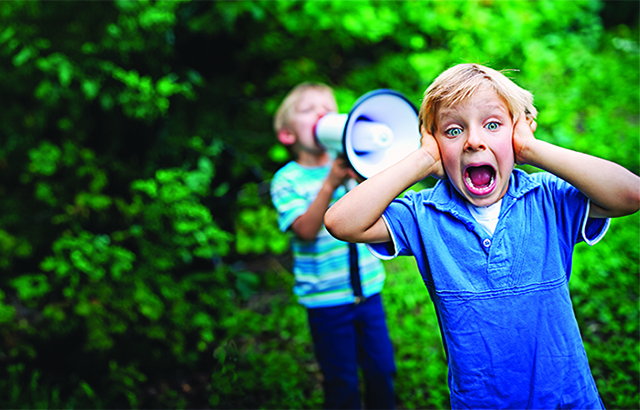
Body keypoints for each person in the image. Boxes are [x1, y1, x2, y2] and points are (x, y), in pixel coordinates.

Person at [324, 63, 640, 409]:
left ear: (517, 133)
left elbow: (629, 195)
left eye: (493, 125)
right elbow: (342, 222)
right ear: (433, 141)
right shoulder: (423, 214)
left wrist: (532, 150)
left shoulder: (548, 199)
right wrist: (423, 159)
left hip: (568, 398)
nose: (474, 141)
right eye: (453, 131)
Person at [269, 82, 396, 409]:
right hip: (326, 300)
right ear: (287, 134)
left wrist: (357, 177)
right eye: (309, 109)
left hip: (367, 291)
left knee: (382, 371)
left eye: (328, 106)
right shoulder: (288, 180)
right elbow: (306, 230)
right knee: (342, 383)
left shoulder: (353, 165)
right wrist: (331, 183)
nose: (322, 112)